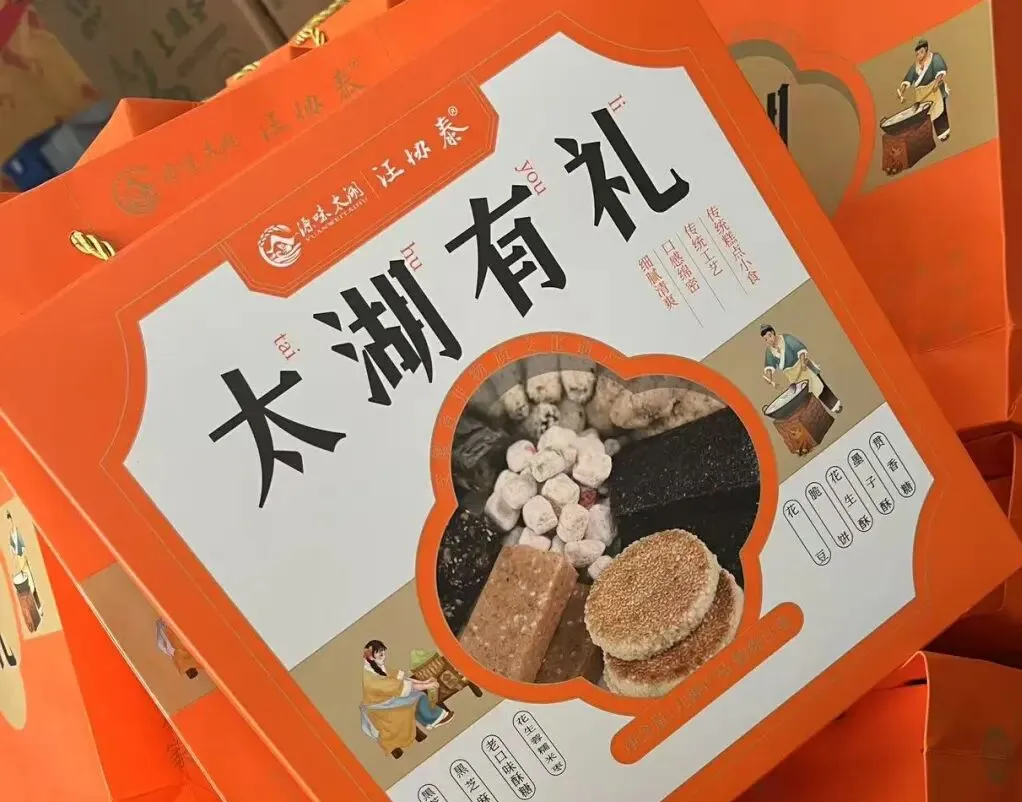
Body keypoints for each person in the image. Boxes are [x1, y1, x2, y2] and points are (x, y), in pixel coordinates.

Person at [360, 640, 451, 756]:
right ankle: (434, 718)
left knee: (417, 695)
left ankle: (430, 720)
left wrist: (424, 682)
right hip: (380, 707)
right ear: (371, 657)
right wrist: (427, 685)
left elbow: (403, 679)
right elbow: (402, 686)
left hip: (388, 700)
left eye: (384, 653)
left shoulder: (378, 667)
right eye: (381, 654)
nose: (384, 657)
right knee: (418, 697)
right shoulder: (372, 679)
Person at [761, 325, 842, 414]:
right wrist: (769, 377)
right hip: (792, 376)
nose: (769, 340)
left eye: (769, 336)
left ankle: (835, 405)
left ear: (773, 333)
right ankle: (819, 414)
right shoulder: (770, 351)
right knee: (806, 396)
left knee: (818, 386)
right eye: (766, 339)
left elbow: (799, 349)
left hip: (802, 367)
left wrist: (803, 362)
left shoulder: (786, 339)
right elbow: (769, 366)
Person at [897, 39, 950, 143]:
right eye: (917, 53)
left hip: (935, 91)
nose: (919, 55)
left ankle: (943, 134)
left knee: (940, 113)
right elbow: (908, 80)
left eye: (921, 52)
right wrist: (901, 92)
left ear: (925, 50)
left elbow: (940, 72)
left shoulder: (935, 58)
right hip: (922, 96)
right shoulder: (915, 66)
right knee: (924, 117)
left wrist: (936, 83)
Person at [7, 511, 40, 609]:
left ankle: (38, 604)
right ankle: (35, 605)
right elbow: (12, 548)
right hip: (20, 560)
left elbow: (21, 546)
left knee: (32, 583)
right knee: (28, 584)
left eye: (10, 521)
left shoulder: (16, 532)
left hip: (23, 558)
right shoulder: (11, 534)